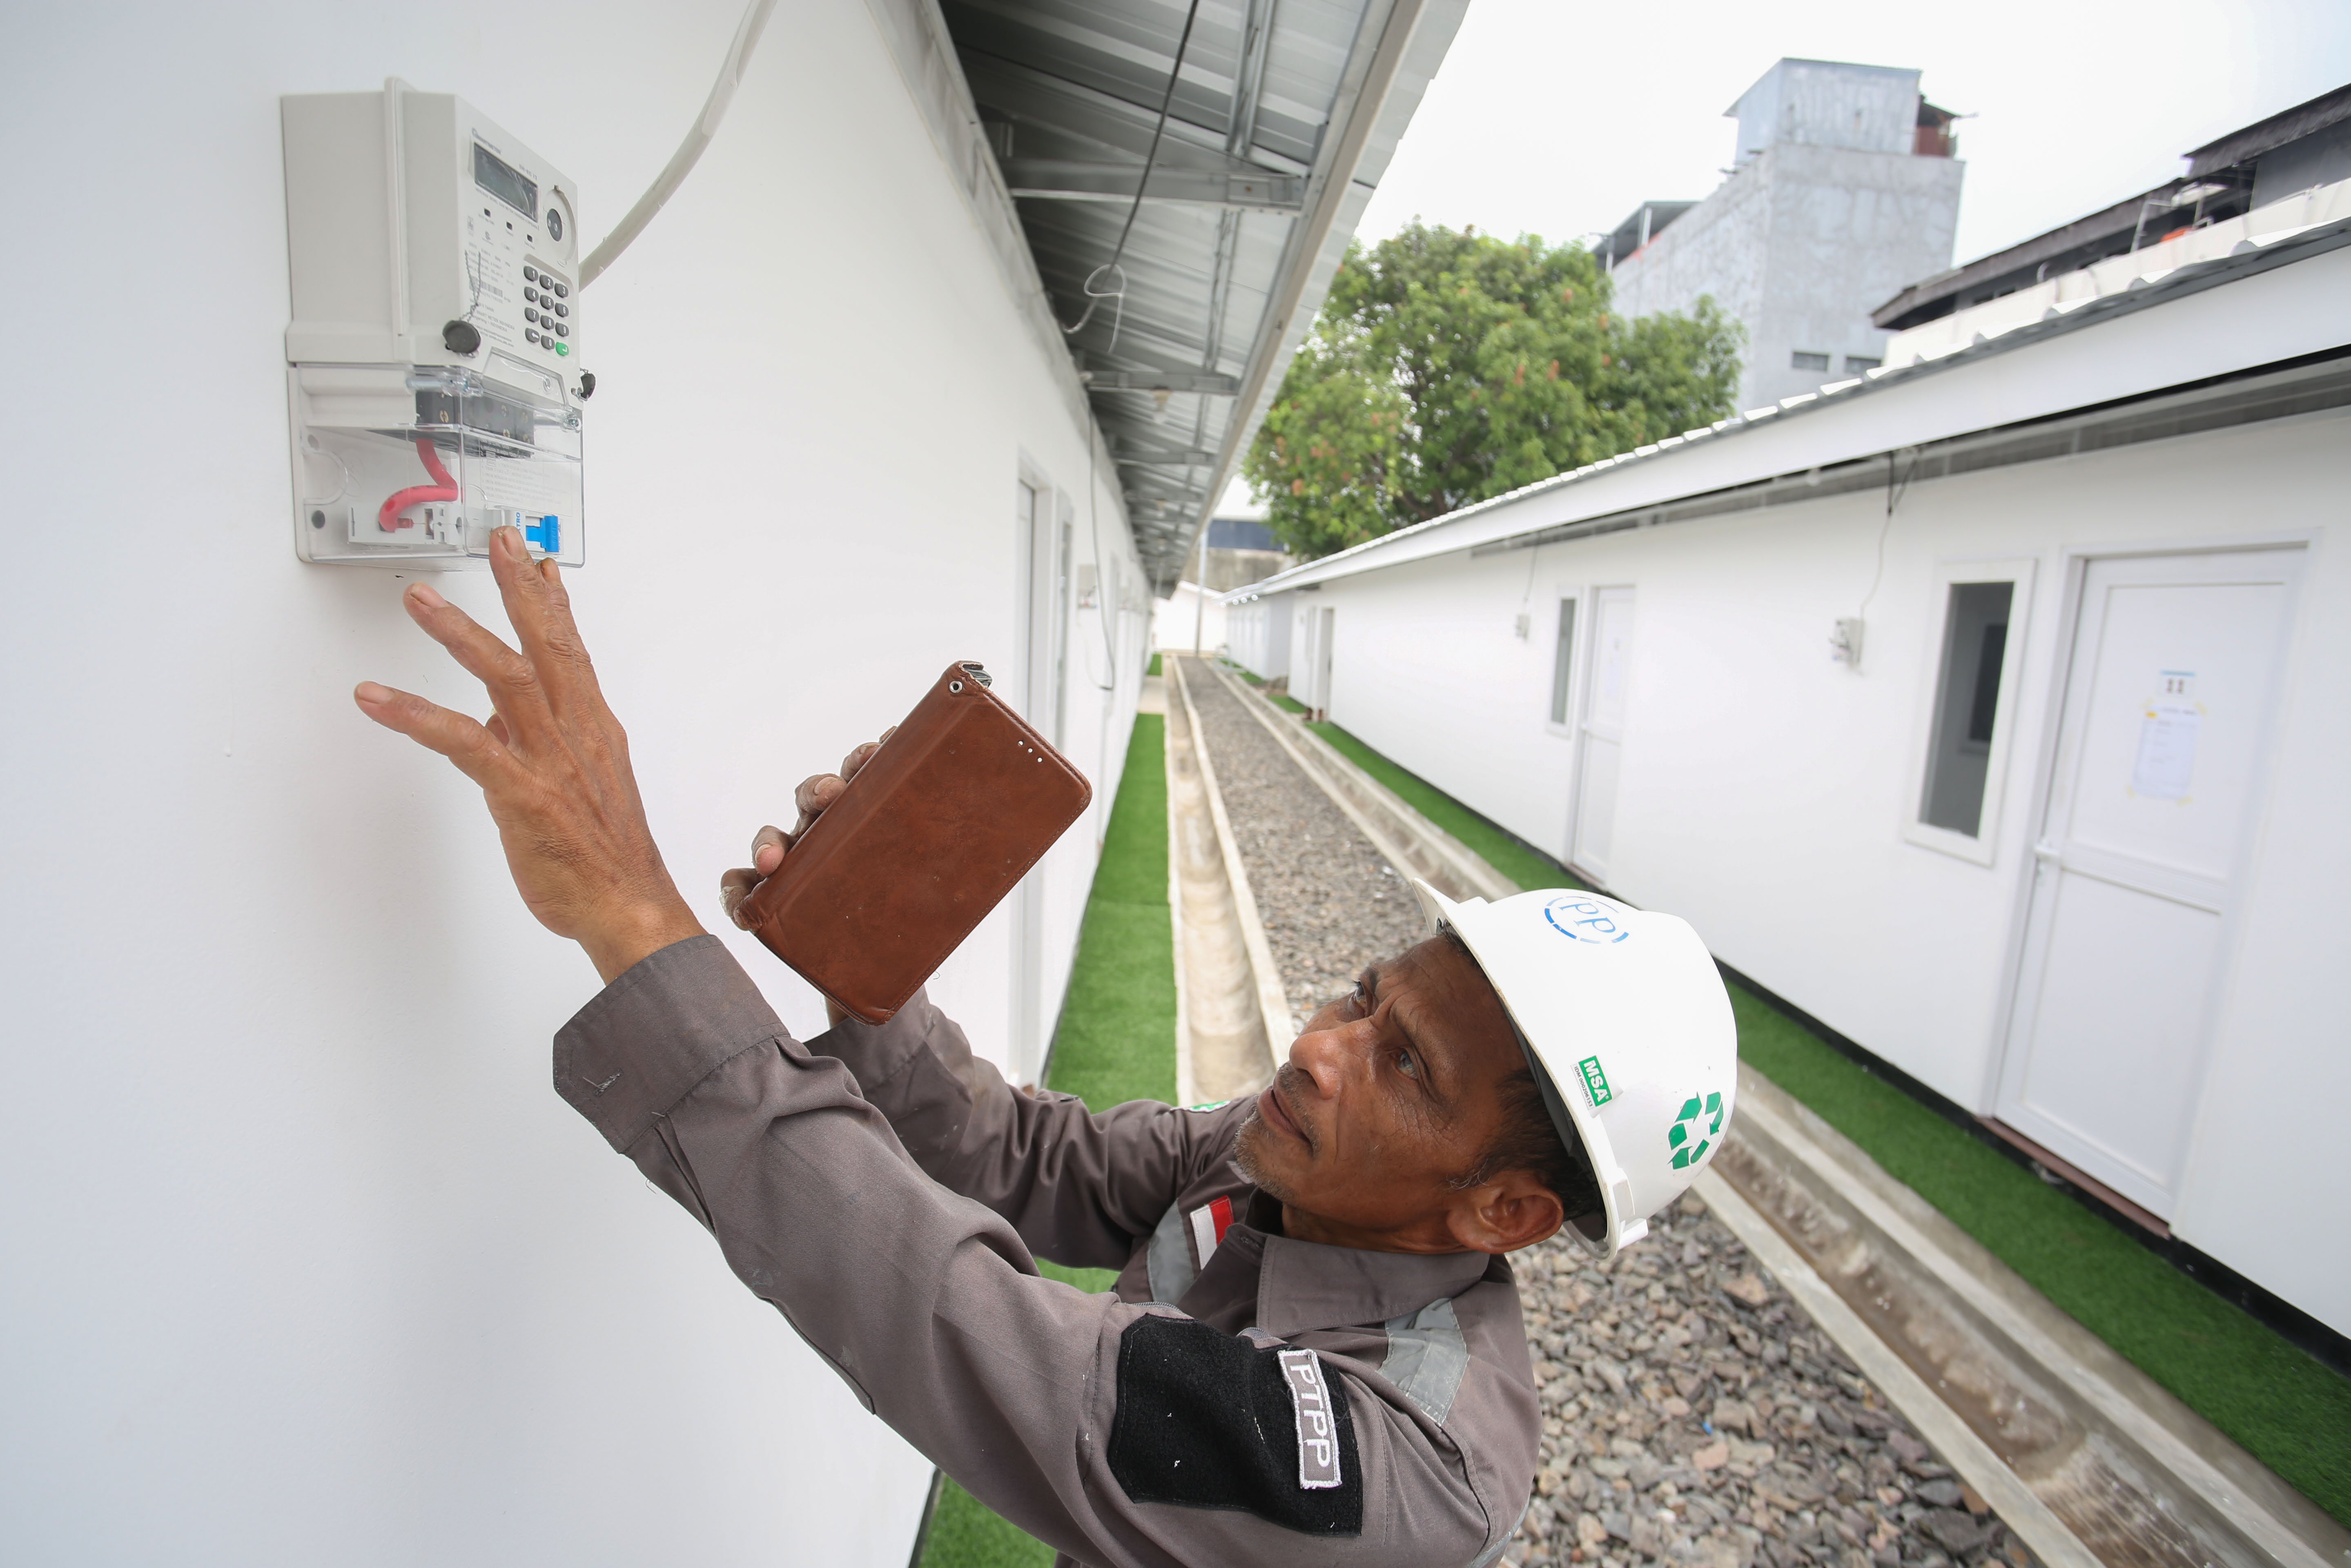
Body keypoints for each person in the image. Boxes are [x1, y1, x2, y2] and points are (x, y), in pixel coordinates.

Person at [354, 527, 1737, 1568]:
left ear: (1504, 1210)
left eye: (1408, 1068)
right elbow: (1021, 1158)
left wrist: (640, 925)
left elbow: (979, 1334)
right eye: (1363, 1000)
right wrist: (870, 960)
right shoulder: (1282, 1169)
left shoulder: (1406, 1465)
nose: (1322, 1050)